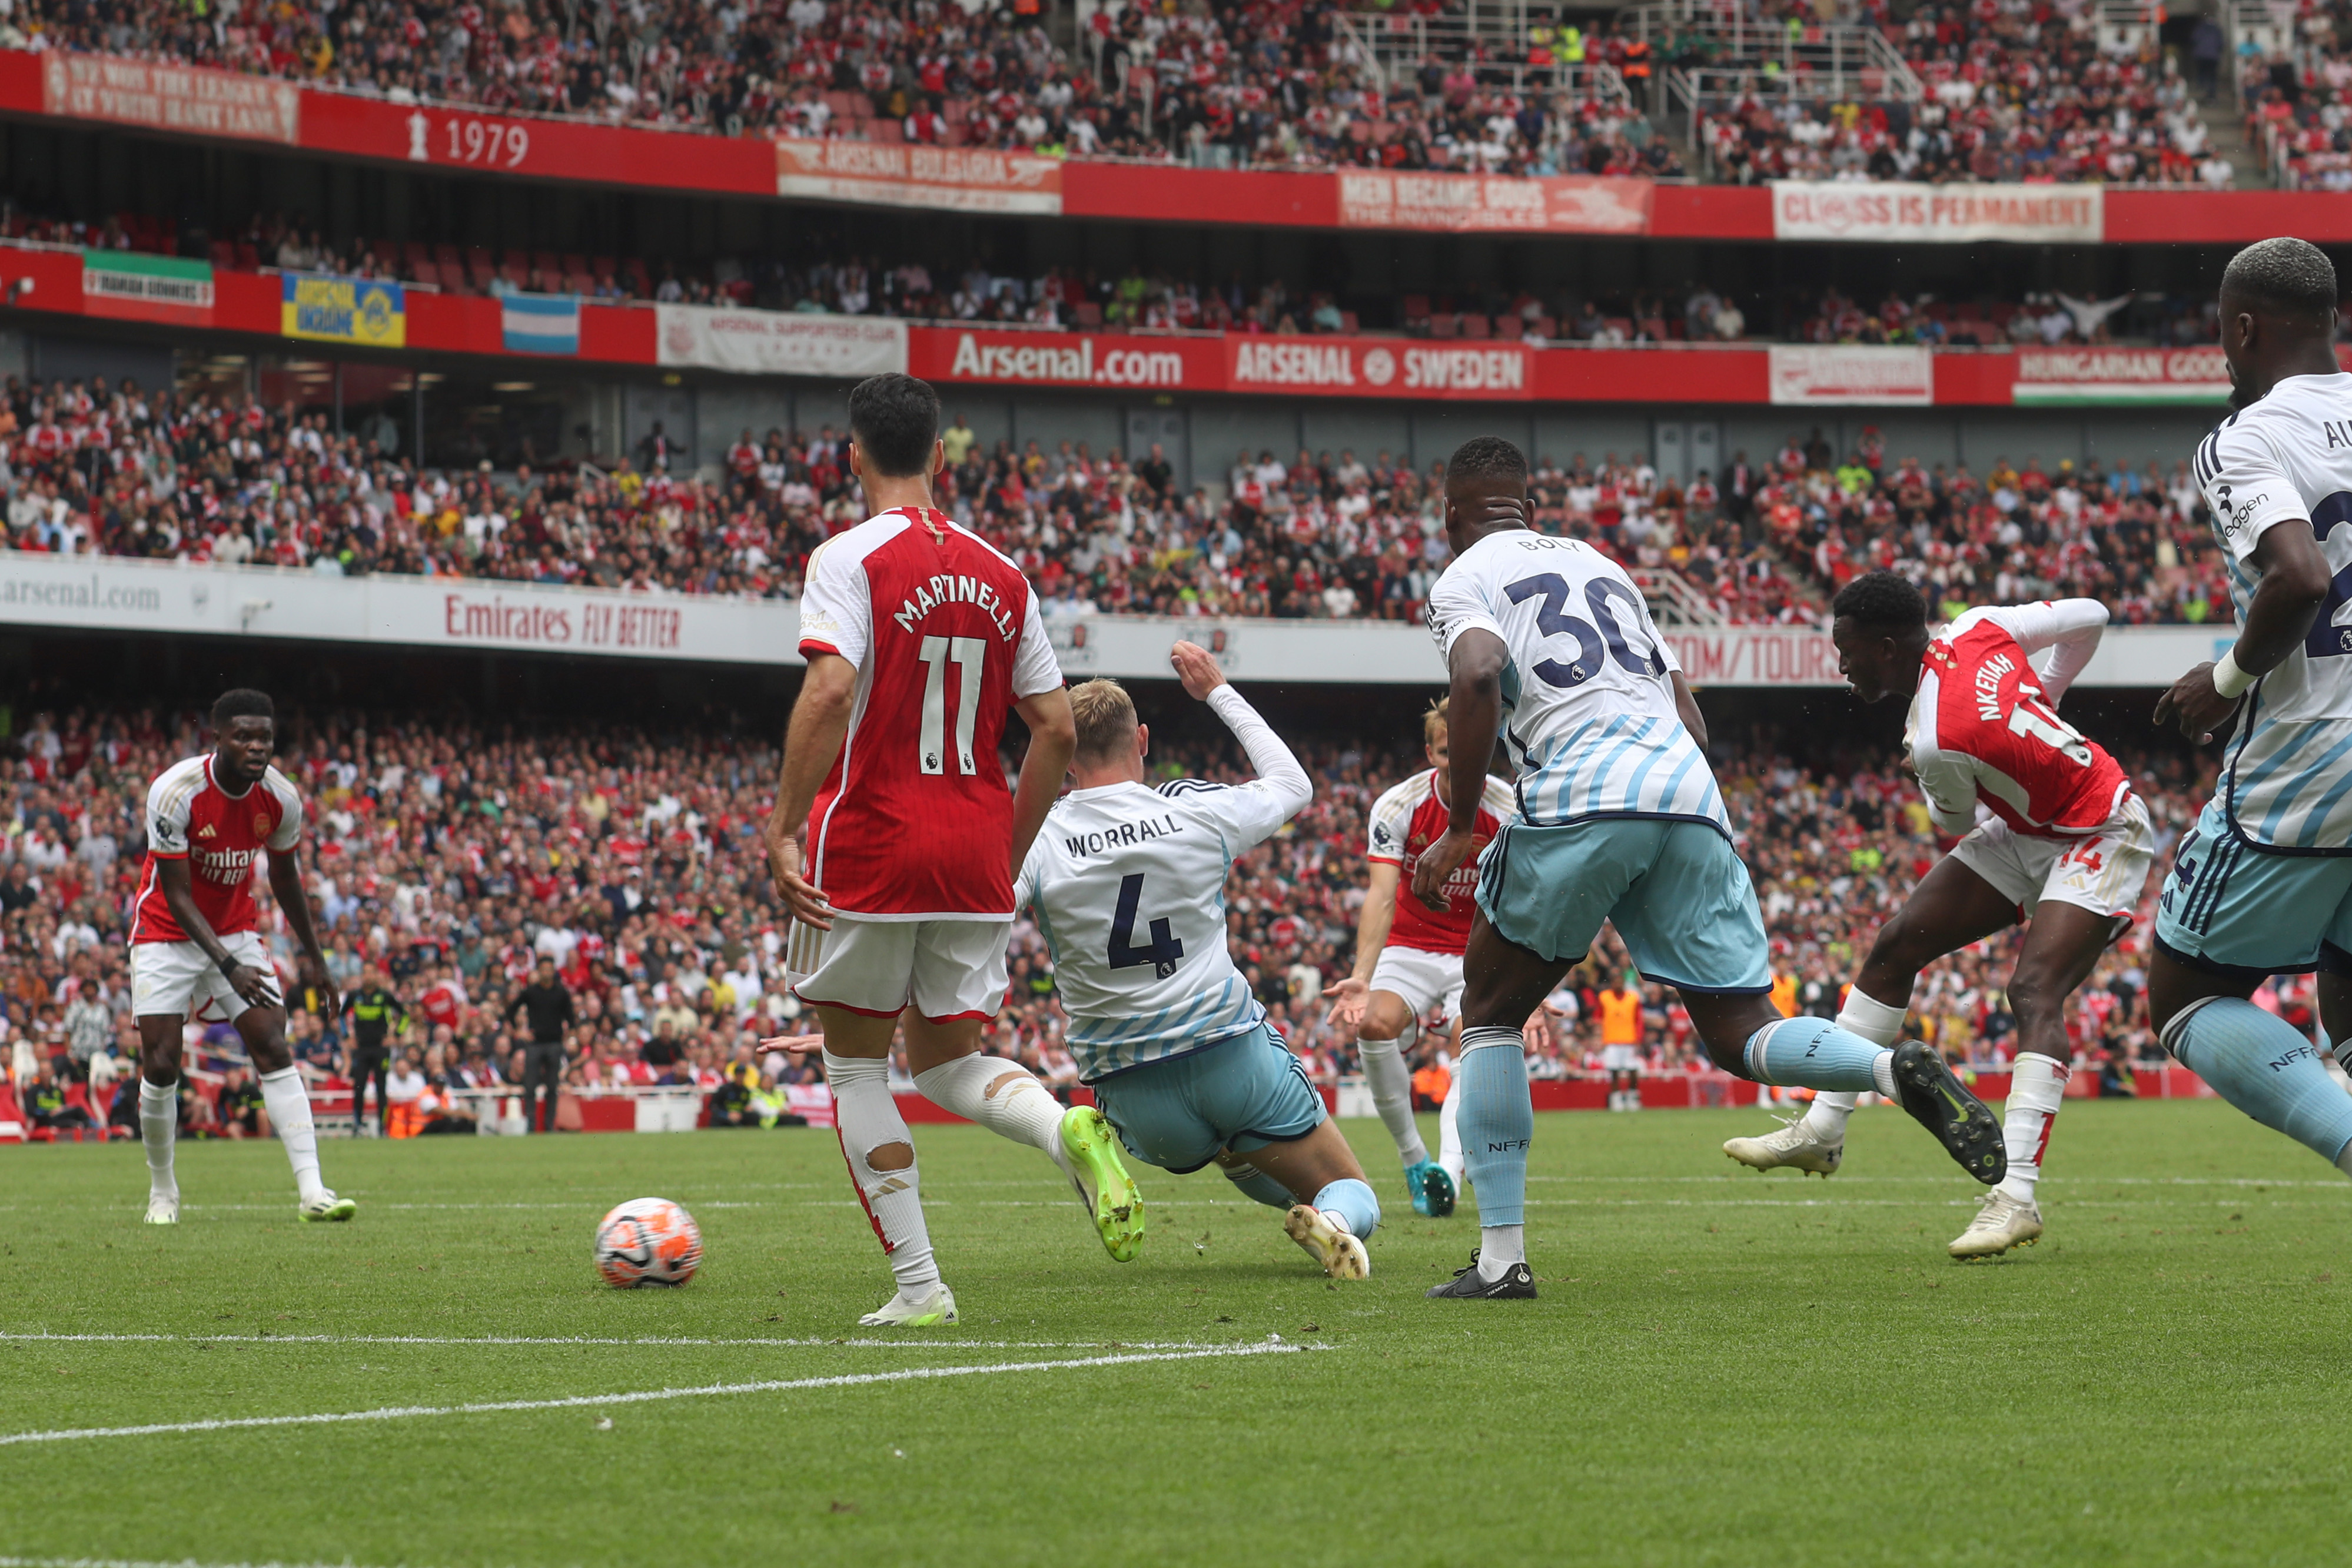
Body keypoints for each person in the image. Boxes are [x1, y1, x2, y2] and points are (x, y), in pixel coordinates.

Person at [1410, 437, 2005, 1298]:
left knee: (1491, 1010)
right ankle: (1885, 1067)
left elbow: (1474, 678)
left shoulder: (1465, 575)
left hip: (1582, 782)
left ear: (1451, 515)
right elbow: (1690, 716)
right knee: (1739, 1030)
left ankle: (1502, 1263)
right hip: (1688, 788)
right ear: (1534, 508)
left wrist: (1463, 826)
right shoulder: (1606, 566)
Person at [759, 371, 1129, 1330]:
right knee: (943, 1058)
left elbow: (831, 689)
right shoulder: (1004, 572)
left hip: (877, 840)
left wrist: (786, 823)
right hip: (972, 850)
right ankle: (1065, 1125)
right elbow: (1052, 727)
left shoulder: (848, 557)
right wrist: (1005, 855)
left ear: (852, 455)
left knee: (856, 1069)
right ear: (937, 453)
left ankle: (922, 1286)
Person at [1726, 576, 2155, 1258]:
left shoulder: (1933, 738)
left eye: (1848, 650)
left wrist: (1928, 776)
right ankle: (1824, 1130)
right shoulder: (1976, 626)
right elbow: (2093, 615)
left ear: (1888, 647)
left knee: (2034, 990)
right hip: (2030, 825)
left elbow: (1953, 823)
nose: (1840, 664)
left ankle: (2014, 1196)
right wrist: (2047, 693)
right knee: (1896, 947)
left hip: (2101, 828)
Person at [1014, 644, 1376, 1277]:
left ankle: (1096, 1141)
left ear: (1064, 751)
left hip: (1128, 1088)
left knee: (1219, 1147)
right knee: (1352, 1189)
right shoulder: (1191, 808)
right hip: (1228, 1054)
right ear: (1144, 739)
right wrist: (1217, 691)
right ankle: (1338, 1222)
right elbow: (1294, 786)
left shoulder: (1036, 838)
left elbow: (977, 921)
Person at [2145, 238, 2352, 1181]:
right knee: (2343, 981)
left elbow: (2302, 574)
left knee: (2185, 996)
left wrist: (2223, 682)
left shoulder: (2247, 437)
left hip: (2315, 746)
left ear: (2242, 328)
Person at [128, 687, 352, 1224]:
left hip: (234, 930)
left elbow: (284, 876)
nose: (257, 746)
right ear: (218, 739)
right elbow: (177, 896)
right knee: (161, 1064)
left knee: (273, 1044)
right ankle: (163, 1192)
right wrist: (229, 967)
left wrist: (317, 961)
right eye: (244, 736)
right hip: (165, 931)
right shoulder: (175, 791)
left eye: (265, 737)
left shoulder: (281, 797)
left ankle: (313, 1191)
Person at [1323, 698, 1514, 1217]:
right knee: (1374, 1025)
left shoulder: (1512, 808)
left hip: (1477, 950)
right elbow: (1382, 895)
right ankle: (1414, 1160)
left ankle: (1447, 1175)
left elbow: (1527, 899)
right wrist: (1362, 977)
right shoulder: (1396, 806)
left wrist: (1532, 991)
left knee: (1468, 1040)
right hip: (1409, 947)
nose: (1459, 759)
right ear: (1432, 753)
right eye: (1448, 750)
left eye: (1469, 748)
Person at [507, 958, 574, 1133]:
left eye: (549, 969)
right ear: (539, 972)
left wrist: (568, 1036)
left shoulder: (561, 993)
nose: (546, 973)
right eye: (543, 969)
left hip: (554, 1043)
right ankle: (531, 1125)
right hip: (535, 1044)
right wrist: (519, 1031)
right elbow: (511, 1010)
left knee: (552, 1087)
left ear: (553, 971)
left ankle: (549, 1126)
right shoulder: (531, 992)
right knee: (530, 1086)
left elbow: (571, 1018)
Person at [342, 963, 404, 1137]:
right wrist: (348, 1037)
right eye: (365, 973)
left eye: (371, 973)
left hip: (380, 1048)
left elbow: (404, 1014)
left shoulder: (384, 996)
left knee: (381, 1087)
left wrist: (396, 1035)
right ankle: (358, 1125)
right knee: (359, 1086)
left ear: (377, 976)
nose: (368, 976)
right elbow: (341, 1016)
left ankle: (382, 1127)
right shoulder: (355, 996)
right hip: (361, 1048)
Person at [1597, 972, 1645, 1111]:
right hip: (1611, 1039)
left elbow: (1639, 1020)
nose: (1618, 985)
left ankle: (1632, 1097)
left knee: (1633, 1070)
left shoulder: (1633, 998)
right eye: (1615, 982)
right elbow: (1598, 1017)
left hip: (1629, 1040)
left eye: (1620, 982)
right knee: (1614, 1071)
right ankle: (1617, 1099)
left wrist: (1639, 1038)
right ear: (1612, 983)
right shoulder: (1604, 997)